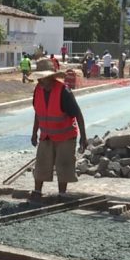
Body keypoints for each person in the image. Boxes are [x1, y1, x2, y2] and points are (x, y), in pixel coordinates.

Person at [31, 69, 88, 198]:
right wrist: (34, 133)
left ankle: (62, 194)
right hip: (46, 136)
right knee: (41, 164)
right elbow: (38, 112)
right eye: (38, 79)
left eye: (42, 78)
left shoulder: (63, 91)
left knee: (64, 165)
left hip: (65, 136)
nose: (39, 81)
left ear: (51, 78)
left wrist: (83, 137)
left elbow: (78, 114)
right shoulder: (38, 90)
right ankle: (37, 192)